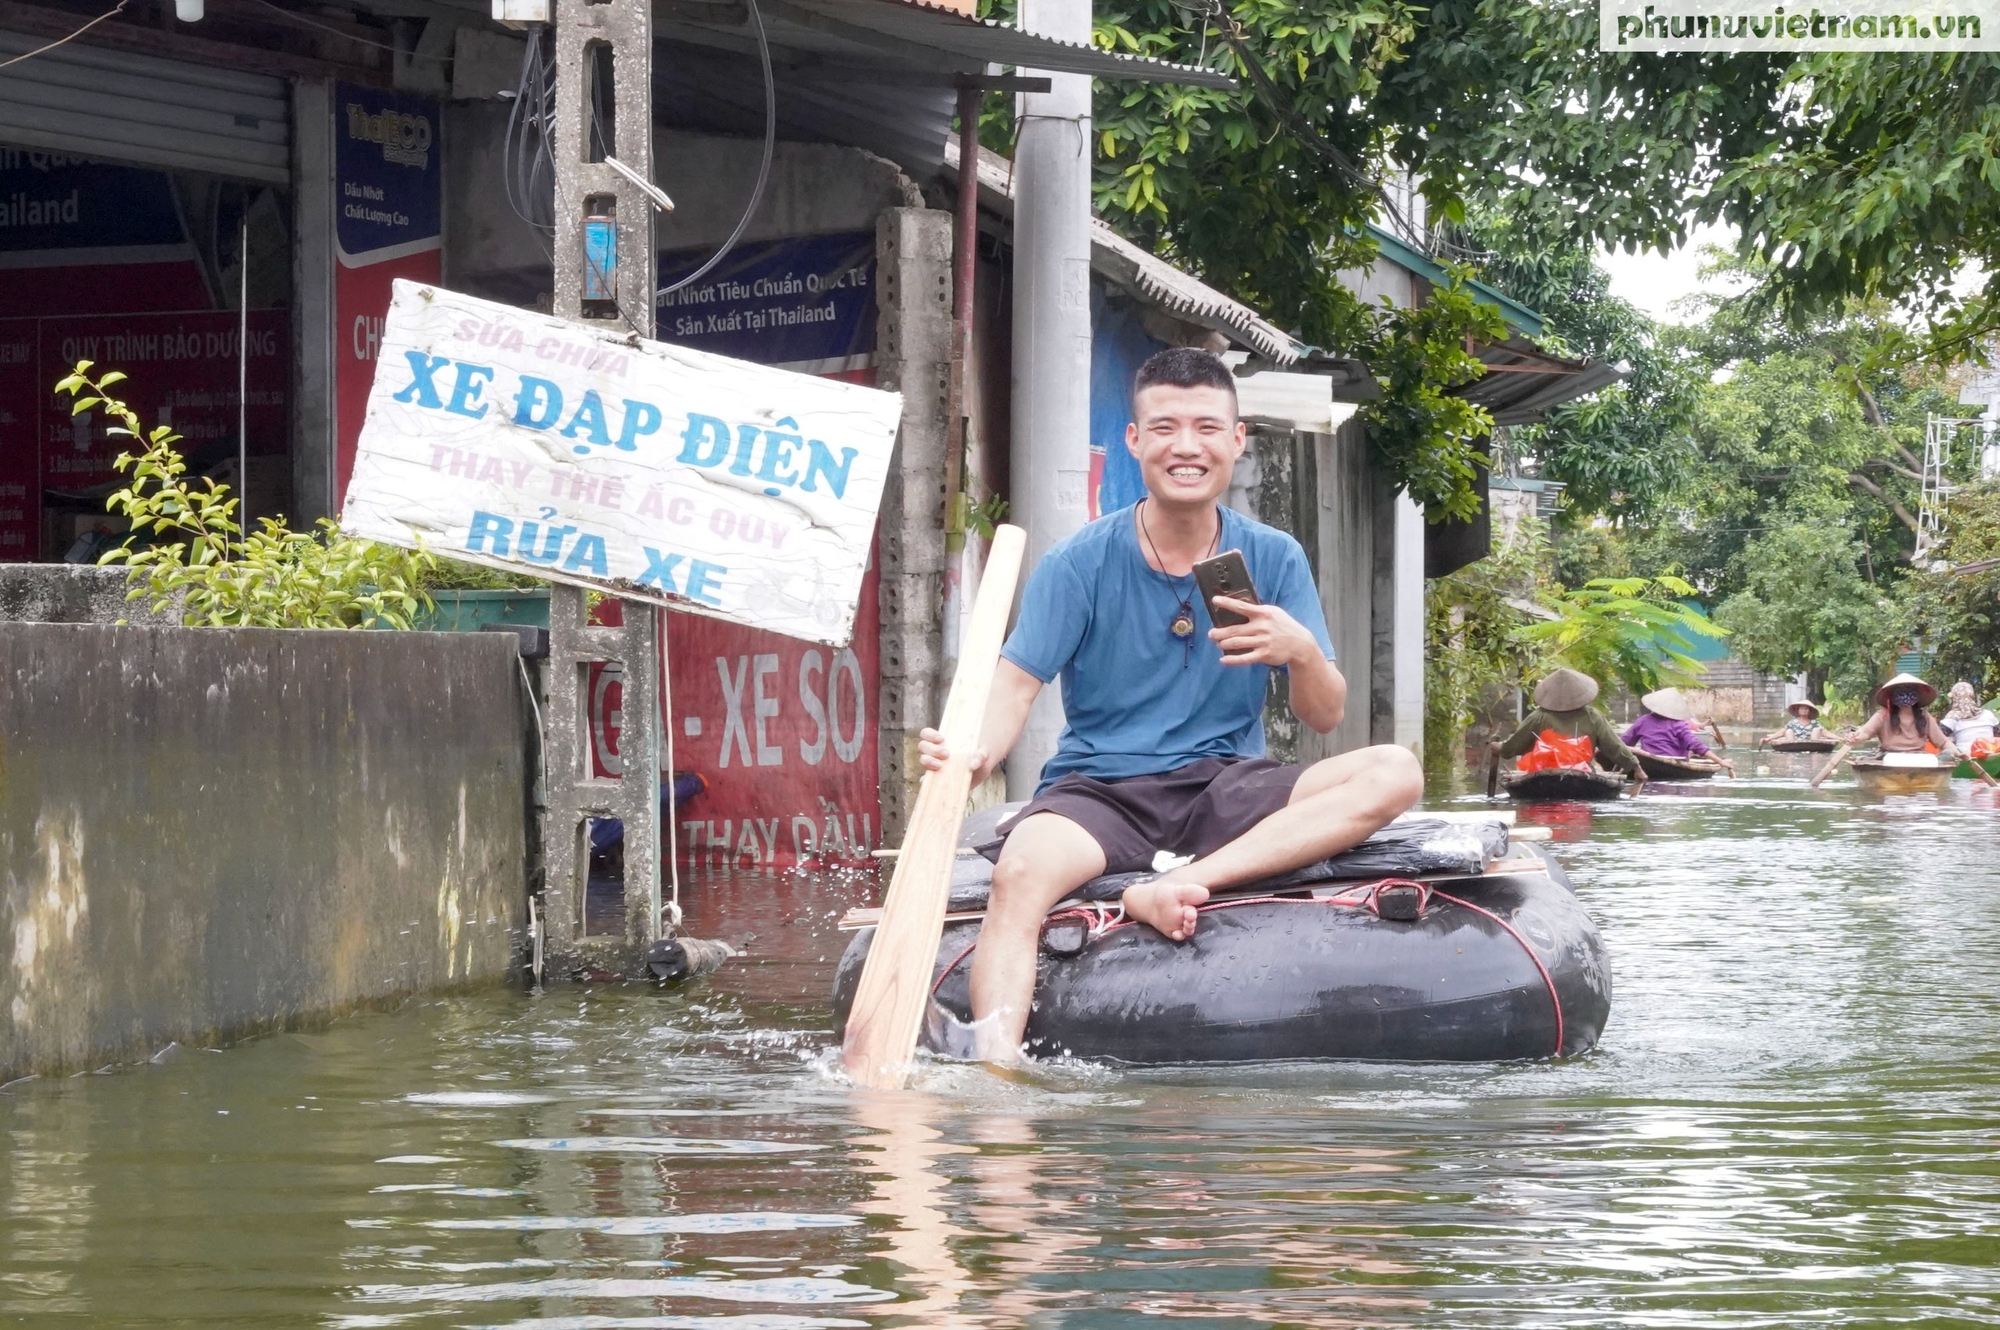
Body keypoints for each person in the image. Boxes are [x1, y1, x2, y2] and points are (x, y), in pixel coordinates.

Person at [916, 347, 1425, 1065]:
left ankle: (1180, 884)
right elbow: (1015, 686)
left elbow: (1325, 717)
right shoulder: (1079, 562)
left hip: (1227, 784)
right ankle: (996, 1063)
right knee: (1019, 875)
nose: (1186, 446)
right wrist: (973, 754)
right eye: (1164, 428)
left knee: (1395, 770)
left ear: (1238, 440)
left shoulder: (1273, 557)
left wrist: (1302, 651)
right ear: (1135, 442)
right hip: (1103, 792)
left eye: (1207, 428)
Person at [1491, 668, 1645, 783]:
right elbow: (1614, 746)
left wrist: (1498, 747)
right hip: (1583, 773)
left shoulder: (1539, 717)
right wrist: (1637, 768)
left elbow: (1513, 747)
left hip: (1543, 773)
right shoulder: (1593, 717)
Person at [1622, 687, 1735, 773]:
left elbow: (1623, 743)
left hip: (1648, 762)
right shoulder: (1679, 724)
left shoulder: (1643, 720)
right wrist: (1720, 761)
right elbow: (1696, 745)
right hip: (1672, 763)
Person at [1939, 681, 1999, 758]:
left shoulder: (1952, 718)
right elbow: (1997, 735)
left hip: (1966, 758)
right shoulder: (1988, 714)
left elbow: (1940, 739)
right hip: (1990, 756)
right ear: (1972, 696)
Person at [1763, 700, 1834, 746]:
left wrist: (1840, 738)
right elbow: (1781, 732)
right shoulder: (1793, 723)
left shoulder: (1814, 723)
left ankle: (1814, 749)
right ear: (1798, 711)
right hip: (1794, 744)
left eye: (1806, 709)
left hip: (1811, 744)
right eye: (1802, 709)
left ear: (1809, 711)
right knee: (1788, 731)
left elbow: (1825, 733)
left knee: (1817, 730)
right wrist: (1767, 739)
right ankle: (1791, 748)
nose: (1804, 710)